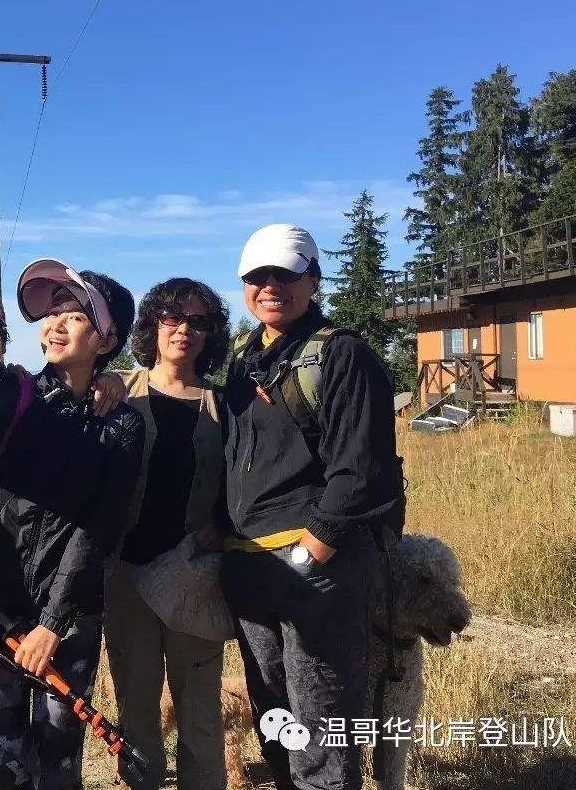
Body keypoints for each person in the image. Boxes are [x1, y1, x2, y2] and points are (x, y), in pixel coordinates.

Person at [0, 258, 144, 790]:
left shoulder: (124, 425)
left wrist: (53, 623)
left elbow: (98, 528)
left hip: (69, 618)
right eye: (52, 314)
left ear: (107, 339)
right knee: (8, 757)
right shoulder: (21, 393)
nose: (56, 324)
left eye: (76, 316)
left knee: (60, 754)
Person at [218, 225, 405, 790]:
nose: (270, 286)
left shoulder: (342, 353)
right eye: (257, 277)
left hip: (314, 568)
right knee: (274, 717)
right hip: (249, 563)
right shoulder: (244, 357)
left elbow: (362, 467)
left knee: (323, 723)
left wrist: (314, 547)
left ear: (313, 279)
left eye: (286, 274)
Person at [105, 277, 231, 790]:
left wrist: (222, 528)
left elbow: (250, 481)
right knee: (135, 712)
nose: (183, 330)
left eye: (198, 322)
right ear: (153, 325)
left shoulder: (228, 405)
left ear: (210, 335)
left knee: (200, 713)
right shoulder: (116, 390)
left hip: (195, 577)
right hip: (125, 575)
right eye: (172, 318)